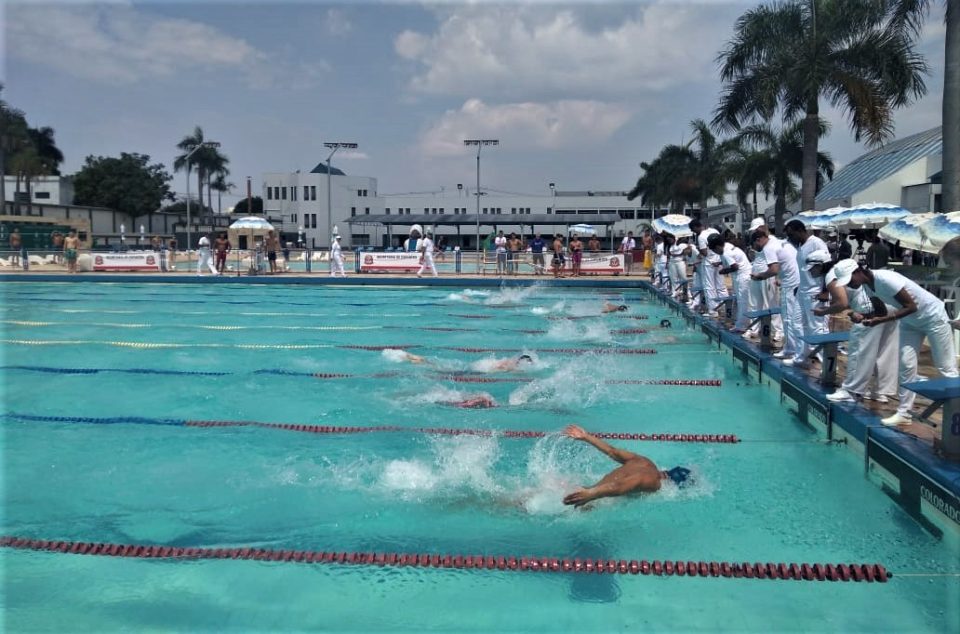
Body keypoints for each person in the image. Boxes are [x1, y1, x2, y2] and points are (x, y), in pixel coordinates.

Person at [826, 259, 958, 426]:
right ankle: (904, 413)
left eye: (850, 280)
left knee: (946, 367)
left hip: (933, 317)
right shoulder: (867, 286)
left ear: (858, 272)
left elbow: (911, 306)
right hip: (910, 322)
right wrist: (864, 317)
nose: (850, 285)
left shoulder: (885, 279)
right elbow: (879, 311)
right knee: (905, 364)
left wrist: (883, 319)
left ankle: (956, 414)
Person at [561, 424, 692, 507]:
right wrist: (590, 494)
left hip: (583, 491)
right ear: (672, 484)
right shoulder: (653, 482)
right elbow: (620, 486)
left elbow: (612, 451)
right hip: (586, 501)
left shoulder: (645, 462)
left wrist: (586, 437)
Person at [785, 220, 830, 367]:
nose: (789, 238)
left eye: (791, 234)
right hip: (802, 291)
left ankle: (825, 363)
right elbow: (804, 270)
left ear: (800, 231)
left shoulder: (816, 243)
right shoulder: (800, 246)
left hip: (816, 292)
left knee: (816, 327)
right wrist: (799, 285)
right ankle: (801, 357)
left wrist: (825, 291)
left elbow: (828, 267)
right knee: (796, 323)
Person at [752, 230, 802, 361]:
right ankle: (797, 348)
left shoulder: (768, 248)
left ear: (759, 239)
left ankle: (790, 350)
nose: (758, 247)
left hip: (790, 284)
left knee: (788, 318)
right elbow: (785, 264)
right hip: (797, 281)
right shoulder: (780, 242)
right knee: (796, 318)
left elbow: (774, 269)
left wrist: (760, 276)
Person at [709, 233, 750, 331]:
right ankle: (740, 322)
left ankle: (741, 326)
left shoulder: (726, 253)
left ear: (718, 246)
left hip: (742, 276)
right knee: (741, 301)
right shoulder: (727, 246)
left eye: (714, 250)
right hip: (743, 275)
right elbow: (733, 260)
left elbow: (735, 267)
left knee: (743, 302)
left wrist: (723, 271)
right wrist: (719, 263)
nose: (715, 252)